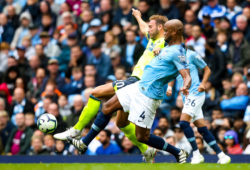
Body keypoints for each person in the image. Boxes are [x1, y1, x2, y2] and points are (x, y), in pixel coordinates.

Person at [67, 19, 191, 163]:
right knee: (107, 107)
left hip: (149, 94)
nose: (165, 33)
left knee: (142, 137)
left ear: (175, 32)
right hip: (138, 86)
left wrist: (185, 85)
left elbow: (186, 74)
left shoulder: (179, 51)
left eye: (168, 30)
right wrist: (138, 17)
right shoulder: (161, 43)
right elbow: (148, 31)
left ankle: (178, 152)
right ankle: (84, 143)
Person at [54, 11, 167, 162]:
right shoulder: (152, 38)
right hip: (136, 82)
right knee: (121, 123)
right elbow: (143, 28)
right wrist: (138, 17)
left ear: (160, 27)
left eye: (151, 26)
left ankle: (76, 130)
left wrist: (167, 80)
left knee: (96, 93)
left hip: (138, 81)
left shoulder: (165, 42)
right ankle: (146, 150)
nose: (148, 28)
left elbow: (172, 58)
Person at [166, 48, 231, 164]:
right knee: (202, 128)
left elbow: (207, 69)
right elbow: (172, 74)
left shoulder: (191, 54)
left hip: (195, 93)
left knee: (183, 123)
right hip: (186, 96)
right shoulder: (173, 57)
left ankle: (196, 154)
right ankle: (222, 155)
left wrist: (203, 84)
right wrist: (170, 87)